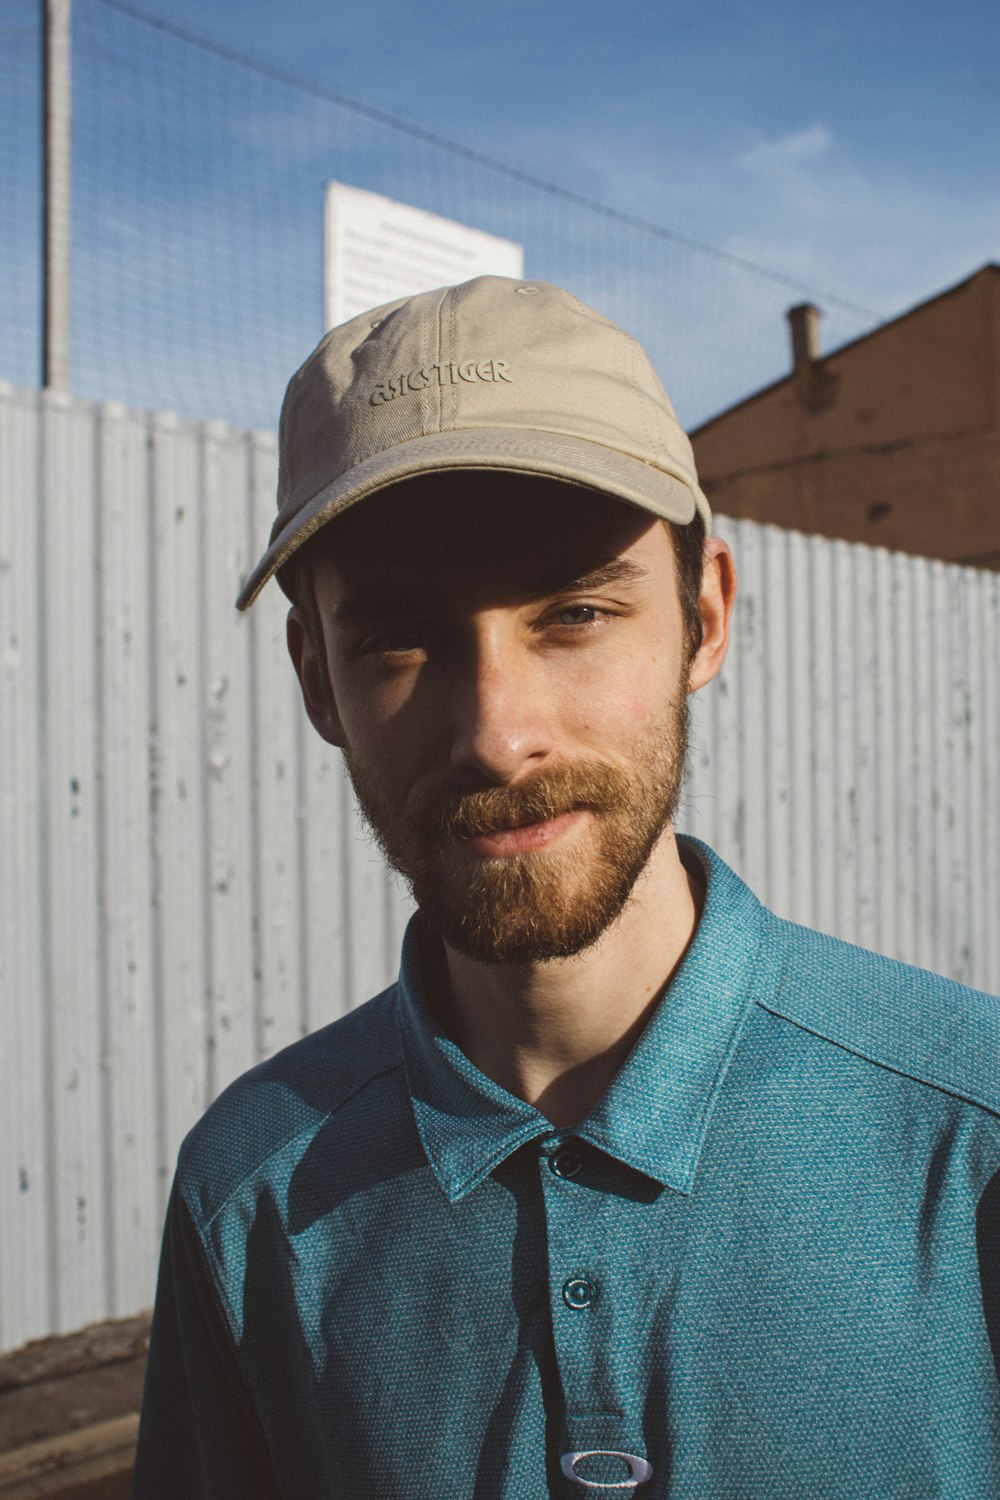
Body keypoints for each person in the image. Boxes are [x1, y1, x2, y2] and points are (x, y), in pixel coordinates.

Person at [131, 277, 1000, 1498]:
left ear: (703, 620)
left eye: (576, 613)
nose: (496, 734)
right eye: (396, 640)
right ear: (317, 681)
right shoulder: (248, 1197)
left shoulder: (969, 1136)